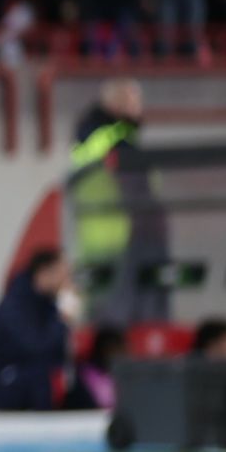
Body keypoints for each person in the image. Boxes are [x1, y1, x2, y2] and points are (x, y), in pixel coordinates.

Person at [67, 78, 167, 324]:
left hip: (127, 233)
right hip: (108, 233)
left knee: (130, 303)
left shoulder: (121, 137)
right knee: (108, 308)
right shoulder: (106, 136)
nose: (138, 107)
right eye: (131, 100)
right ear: (115, 103)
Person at [0, 250, 77, 409]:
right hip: (3, 384)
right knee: (40, 379)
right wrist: (62, 319)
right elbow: (37, 348)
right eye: (63, 275)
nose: (67, 282)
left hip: (28, 380)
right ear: (44, 272)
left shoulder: (46, 305)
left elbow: (58, 353)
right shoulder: (14, 307)